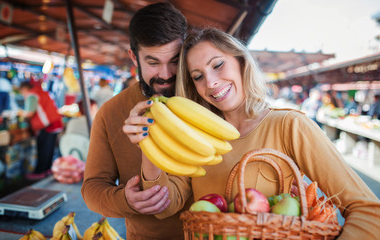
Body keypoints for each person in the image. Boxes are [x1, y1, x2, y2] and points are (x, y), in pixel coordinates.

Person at [127, 28, 380, 239]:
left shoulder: (290, 126)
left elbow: (368, 210)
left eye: (218, 65)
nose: (211, 82)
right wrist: (147, 143)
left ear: (241, 62)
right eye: (198, 76)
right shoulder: (196, 138)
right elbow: (163, 208)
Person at [81, 3, 190, 240]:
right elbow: (92, 188)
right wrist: (125, 200)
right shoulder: (111, 112)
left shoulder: (204, 100)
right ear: (134, 57)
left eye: (175, 60)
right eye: (153, 63)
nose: (166, 74)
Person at [19, 81, 64, 179]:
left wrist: (20, 114)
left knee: (44, 149)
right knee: (49, 149)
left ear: (24, 89)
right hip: (54, 122)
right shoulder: (40, 92)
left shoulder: (32, 95)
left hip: (47, 125)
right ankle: (46, 170)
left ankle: (40, 172)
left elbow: (29, 113)